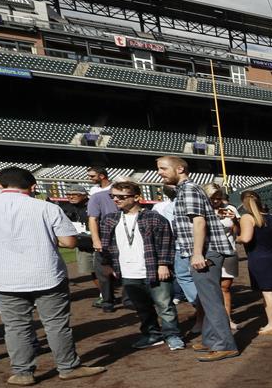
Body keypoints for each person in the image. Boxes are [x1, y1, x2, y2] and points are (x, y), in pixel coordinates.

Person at [0, 167, 106, 386]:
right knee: (56, 324)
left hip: (2, 275)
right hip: (45, 273)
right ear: (33, 187)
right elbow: (69, 242)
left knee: (16, 326)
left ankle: (22, 372)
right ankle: (68, 366)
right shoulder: (46, 207)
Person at [156, 155, 240, 362]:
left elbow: (199, 223)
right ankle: (212, 340)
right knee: (206, 298)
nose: (160, 172)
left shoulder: (190, 189)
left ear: (180, 169)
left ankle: (225, 345)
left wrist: (196, 253)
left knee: (211, 300)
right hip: (203, 250)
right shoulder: (186, 190)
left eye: (164, 168)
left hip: (205, 251)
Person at [96, 180, 184, 351]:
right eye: (113, 196)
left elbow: (166, 243)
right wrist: (106, 264)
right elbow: (105, 246)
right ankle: (152, 334)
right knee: (142, 308)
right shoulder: (109, 220)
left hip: (153, 268)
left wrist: (163, 264)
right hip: (128, 272)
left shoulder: (154, 218)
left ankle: (173, 335)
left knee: (164, 305)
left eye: (121, 196)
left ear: (136, 197)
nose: (116, 199)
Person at [238, 190, 272, 335]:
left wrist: (236, 237)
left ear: (243, 203)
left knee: (267, 292)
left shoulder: (247, 217)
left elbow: (246, 238)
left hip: (259, 258)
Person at [86, 166, 119, 311]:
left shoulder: (110, 191)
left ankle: (129, 298)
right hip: (106, 236)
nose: (90, 179)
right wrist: (96, 239)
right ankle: (107, 300)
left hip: (123, 234)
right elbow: (93, 219)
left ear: (102, 176)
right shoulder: (96, 195)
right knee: (103, 270)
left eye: (92, 176)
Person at [209, 184, 241, 333]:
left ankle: (227, 319)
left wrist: (234, 220)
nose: (216, 201)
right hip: (209, 253)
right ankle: (207, 320)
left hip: (229, 252)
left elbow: (237, 233)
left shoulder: (231, 209)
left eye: (219, 197)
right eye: (213, 198)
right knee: (210, 289)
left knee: (225, 288)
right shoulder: (202, 210)